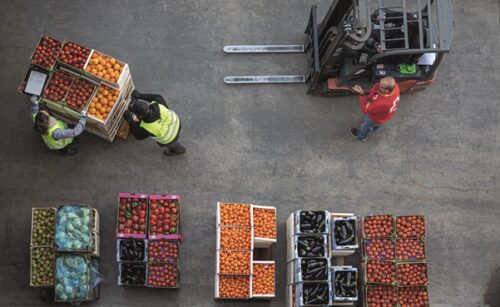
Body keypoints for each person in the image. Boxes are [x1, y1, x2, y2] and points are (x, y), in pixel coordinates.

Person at [123, 90, 185, 156]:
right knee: (171, 135)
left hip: (169, 137)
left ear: (140, 116)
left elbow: (138, 136)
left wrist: (130, 120)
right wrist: (140, 95)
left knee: (172, 142)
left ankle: (180, 150)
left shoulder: (147, 127)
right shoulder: (158, 104)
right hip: (176, 122)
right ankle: (177, 146)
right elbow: (157, 96)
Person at [350, 76, 400, 141]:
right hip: (385, 116)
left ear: (386, 90)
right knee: (377, 124)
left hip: (375, 118)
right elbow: (376, 86)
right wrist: (369, 98)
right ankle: (374, 128)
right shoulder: (395, 86)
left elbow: (365, 110)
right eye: (380, 82)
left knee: (365, 126)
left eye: (381, 87)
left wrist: (362, 94)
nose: (379, 86)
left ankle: (362, 136)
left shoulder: (382, 103)